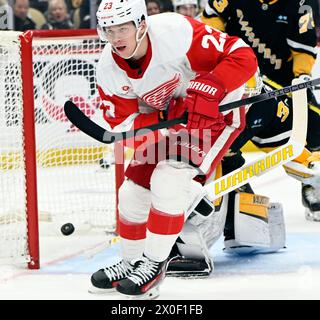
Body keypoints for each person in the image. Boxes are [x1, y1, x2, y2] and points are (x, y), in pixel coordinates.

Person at [89, 0, 257, 299]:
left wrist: (213, 85)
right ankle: (132, 262)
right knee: (131, 193)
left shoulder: (176, 32)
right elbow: (126, 123)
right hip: (172, 124)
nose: (115, 38)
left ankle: (154, 265)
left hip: (215, 118)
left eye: (122, 28)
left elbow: (242, 55)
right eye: (109, 30)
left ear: (141, 24)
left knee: (168, 180)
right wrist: (164, 120)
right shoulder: (108, 69)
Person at [167, 73, 320, 277]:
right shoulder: (193, 96)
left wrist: (314, 169)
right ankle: (178, 244)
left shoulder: (267, 103)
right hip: (192, 158)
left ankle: (196, 241)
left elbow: (288, 148)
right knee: (194, 203)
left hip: (225, 158)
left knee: (246, 233)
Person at [200, 0, 320, 221]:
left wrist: (302, 75)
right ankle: (235, 207)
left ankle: (310, 184)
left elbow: (304, 45)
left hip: (283, 79)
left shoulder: (298, 4)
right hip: (239, 80)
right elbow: (211, 22)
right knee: (230, 141)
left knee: (314, 127)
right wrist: (216, 56)